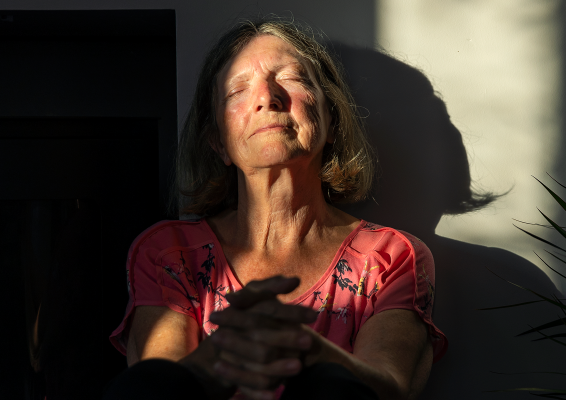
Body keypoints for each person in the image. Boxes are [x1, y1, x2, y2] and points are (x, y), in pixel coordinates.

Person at [104, 17, 447, 400]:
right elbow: (158, 390)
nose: (267, 97)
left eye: (292, 78)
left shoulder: (390, 257)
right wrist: (225, 350)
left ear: (331, 121)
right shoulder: (168, 252)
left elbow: (391, 388)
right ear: (217, 141)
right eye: (237, 89)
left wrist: (310, 352)